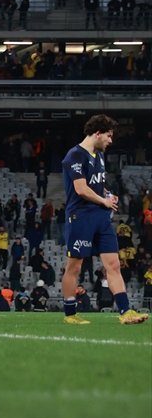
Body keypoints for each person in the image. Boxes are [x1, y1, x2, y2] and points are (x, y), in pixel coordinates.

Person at [60, 114, 148, 325]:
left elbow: (95, 185)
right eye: (109, 135)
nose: (111, 140)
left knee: (114, 265)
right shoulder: (75, 155)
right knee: (74, 267)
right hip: (81, 216)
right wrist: (104, 201)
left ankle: (126, 312)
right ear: (97, 133)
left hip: (100, 217)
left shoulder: (99, 155)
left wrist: (107, 194)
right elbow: (81, 189)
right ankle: (70, 314)